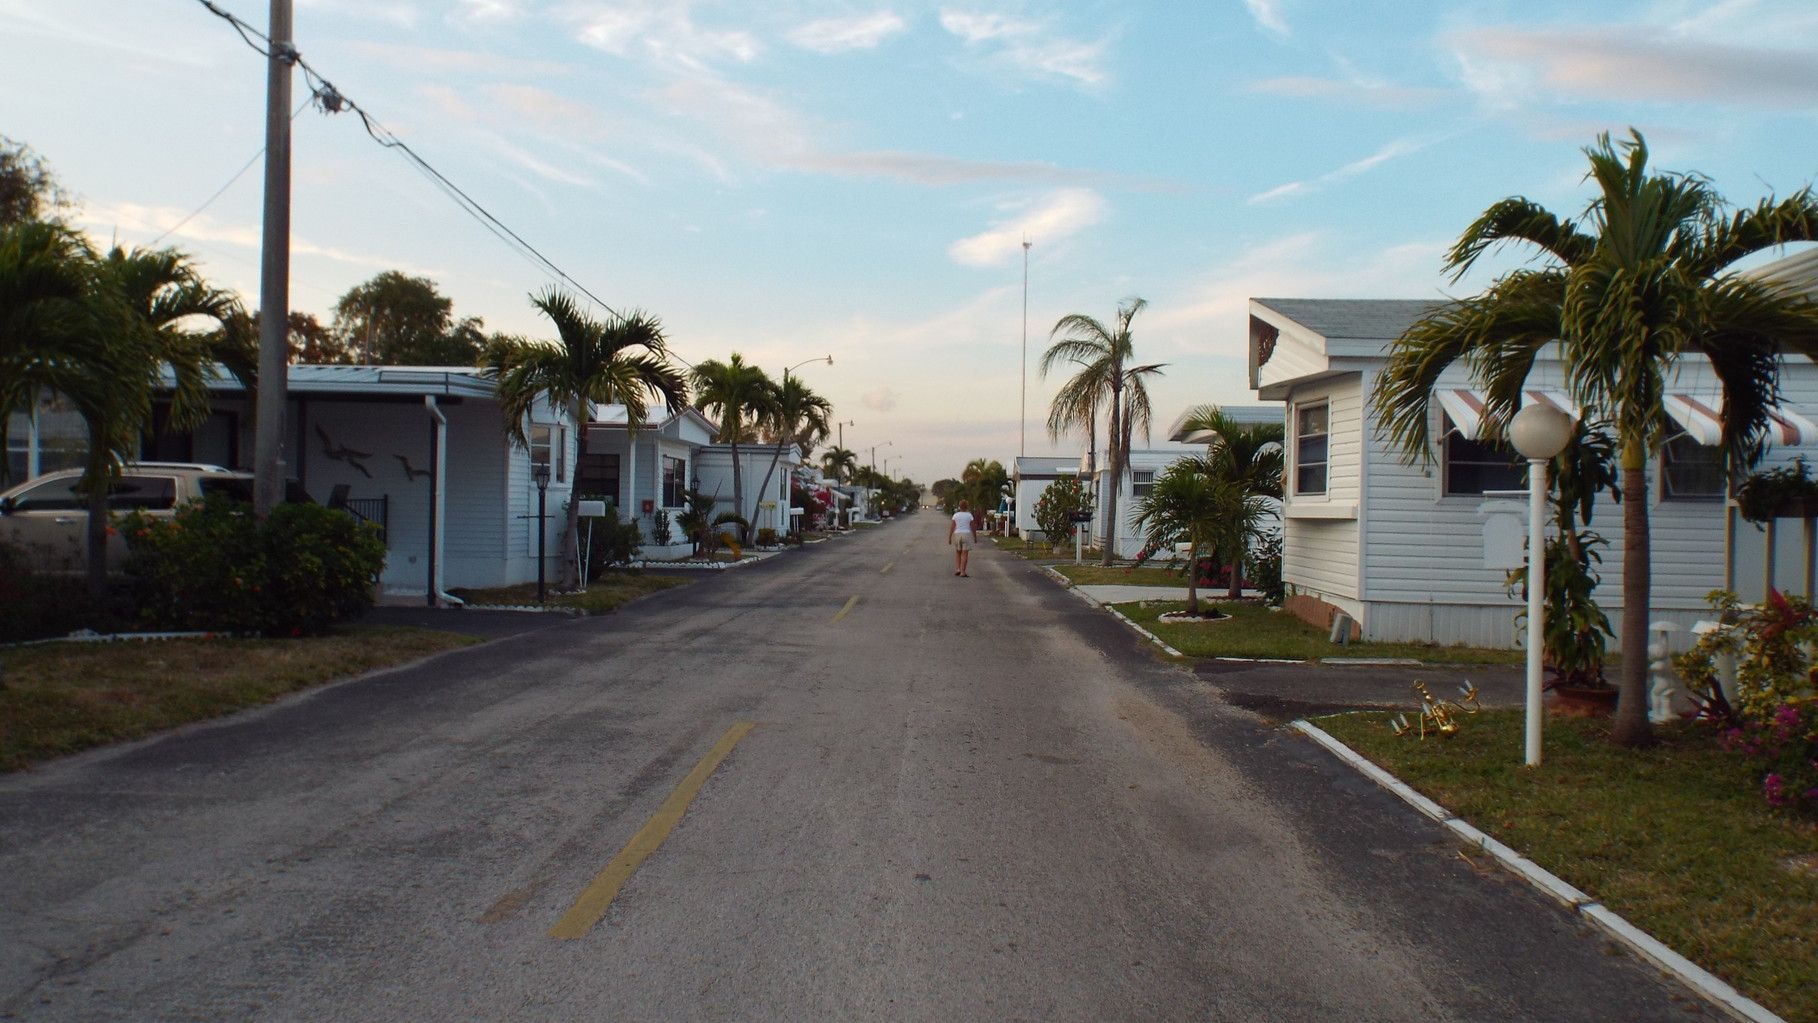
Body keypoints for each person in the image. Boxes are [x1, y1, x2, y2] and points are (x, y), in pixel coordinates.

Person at [948, 499, 978, 577]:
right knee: (965, 554)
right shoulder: (969, 515)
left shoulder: (956, 515)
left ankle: (958, 568)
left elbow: (952, 526)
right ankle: (963, 572)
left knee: (958, 552)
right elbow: (973, 527)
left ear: (959, 506)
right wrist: (975, 537)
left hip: (957, 534)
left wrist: (949, 537)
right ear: (967, 507)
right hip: (966, 534)